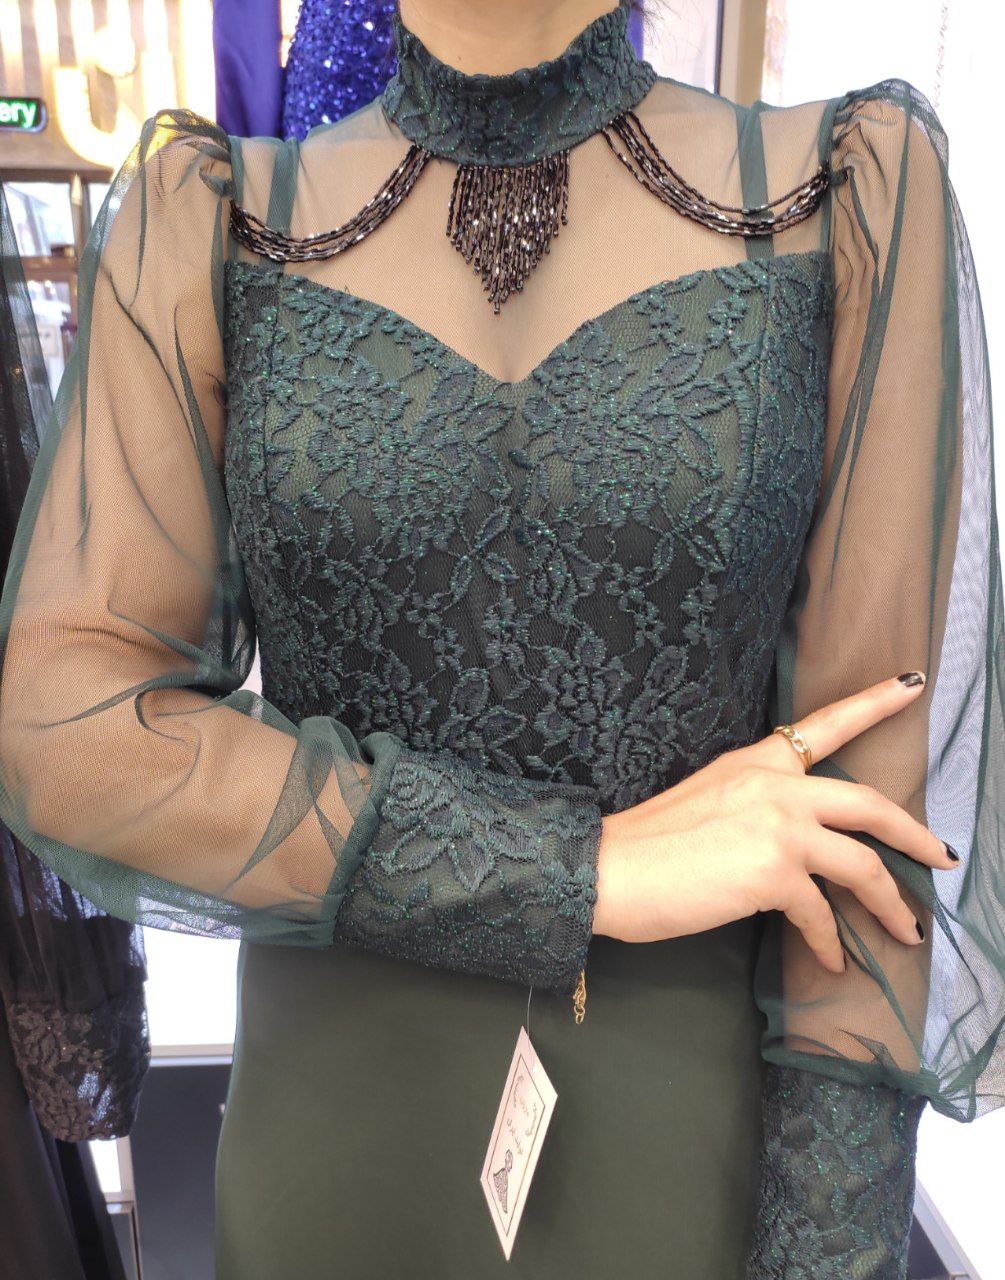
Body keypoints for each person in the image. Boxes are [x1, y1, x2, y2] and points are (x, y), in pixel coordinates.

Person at [0, 1, 1001, 1276]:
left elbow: (871, 844)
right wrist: (582, 869)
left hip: (691, 1151)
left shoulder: (837, 194)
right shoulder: (213, 223)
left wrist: (825, 1254)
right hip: (333, 1151)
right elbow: (67, 723)